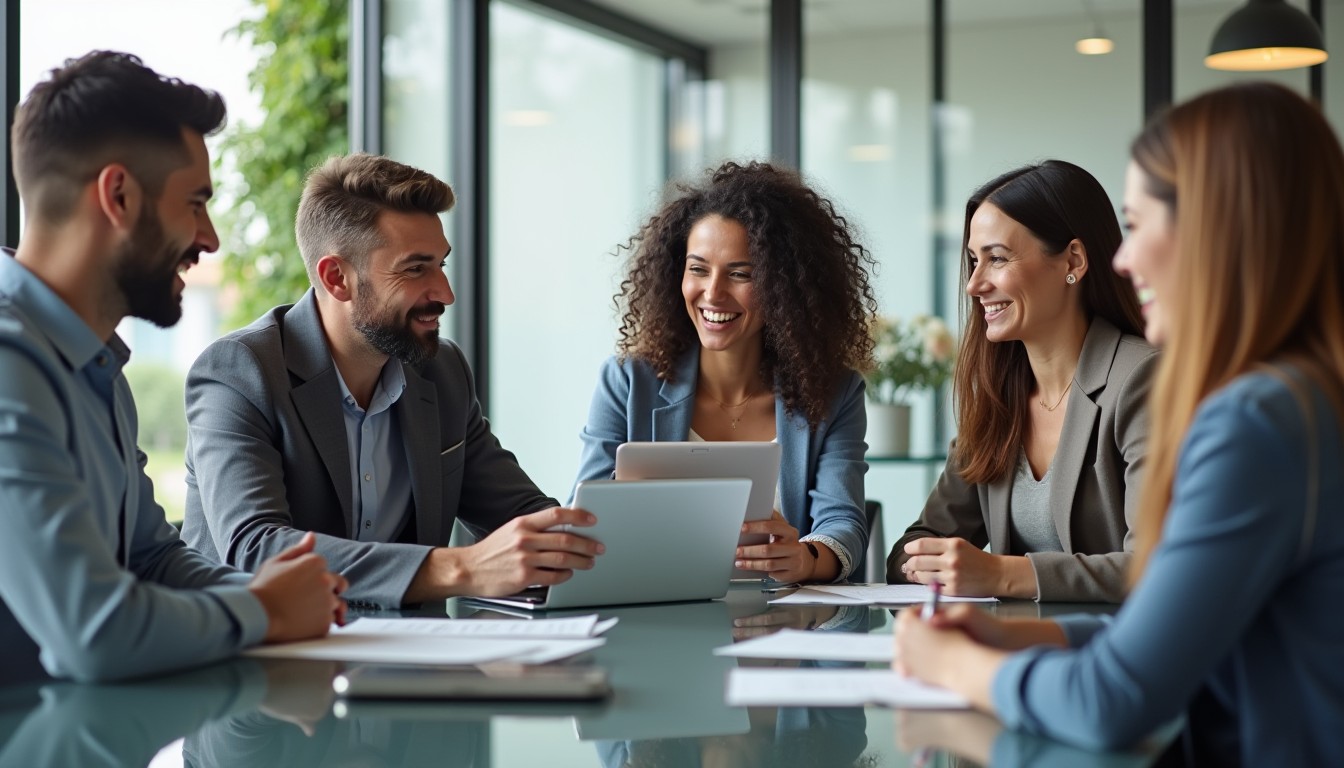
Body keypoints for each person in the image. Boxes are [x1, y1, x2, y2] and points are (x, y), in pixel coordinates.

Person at [895, 82, 1344, 764]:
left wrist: (950, 665)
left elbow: (1111, 699)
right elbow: (1179, 629)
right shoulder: (1302, 400)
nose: (1124, 260)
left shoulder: (1258, 421)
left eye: (1137, 227)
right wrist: (1022, 637)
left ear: (1218, 232)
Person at [0, 51, 344, 683]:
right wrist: (265, 610)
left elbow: (154, 557)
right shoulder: (7, 364)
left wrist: (280, 597)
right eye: (194, 203)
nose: (210, 239)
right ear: (119, 196)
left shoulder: (94, 363)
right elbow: (93, 632)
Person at [182, 153, 602, 608]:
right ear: (336, 277)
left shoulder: (442, 372)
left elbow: (521, 516)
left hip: (413, 660)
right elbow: (256, 549)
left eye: (441, 264)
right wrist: (458, 567)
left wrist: (596, 542)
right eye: (416, 269)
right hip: (264, 659)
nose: (445, 293)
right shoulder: (238, 372)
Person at [573, 161, 874, 584]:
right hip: (653, 613)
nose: (712, 293)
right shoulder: (626, 381)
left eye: (741, 274)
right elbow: (584, 517)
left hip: (779, 623)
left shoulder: (834, 391)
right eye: (698, 269)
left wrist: (805, 558)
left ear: (785, 286)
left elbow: (842, 523)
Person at [887, 160, 1155, 603]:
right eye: (974, 261)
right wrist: (930, 563)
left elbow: (1155, 567)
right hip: (1011, 653)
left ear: (1073, 260)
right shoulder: (1000, 396)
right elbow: (916, 544)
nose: (974, 285)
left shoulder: (1141, 379)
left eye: (997, 258)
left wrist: (1000, 574)